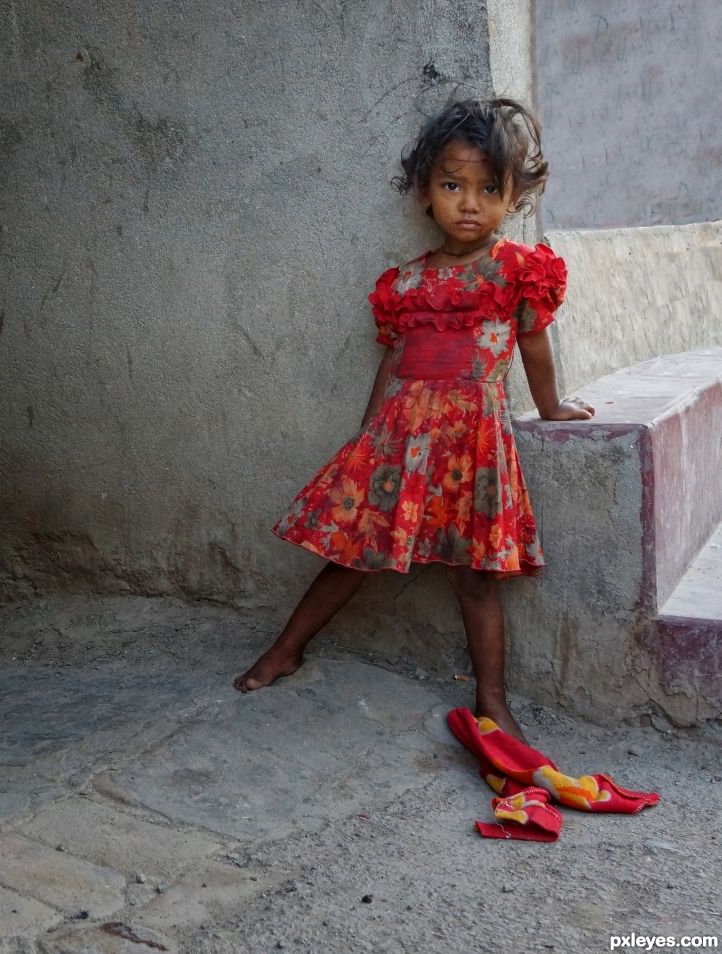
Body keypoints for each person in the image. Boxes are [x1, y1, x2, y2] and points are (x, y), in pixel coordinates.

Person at [233, 97, 594, 743]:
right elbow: (395, 360)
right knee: (353, 552)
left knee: (476, 579)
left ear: (512, 197)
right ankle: (286, 647)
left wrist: (550, 408)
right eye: (452, 185)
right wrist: (369, 433)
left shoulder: (516, 270)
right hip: (403, 438)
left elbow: (534, 344)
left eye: (488, 188)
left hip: (475, 442)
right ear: (426, 192)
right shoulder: (404, 284)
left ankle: (492, 700)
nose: (468, 203)